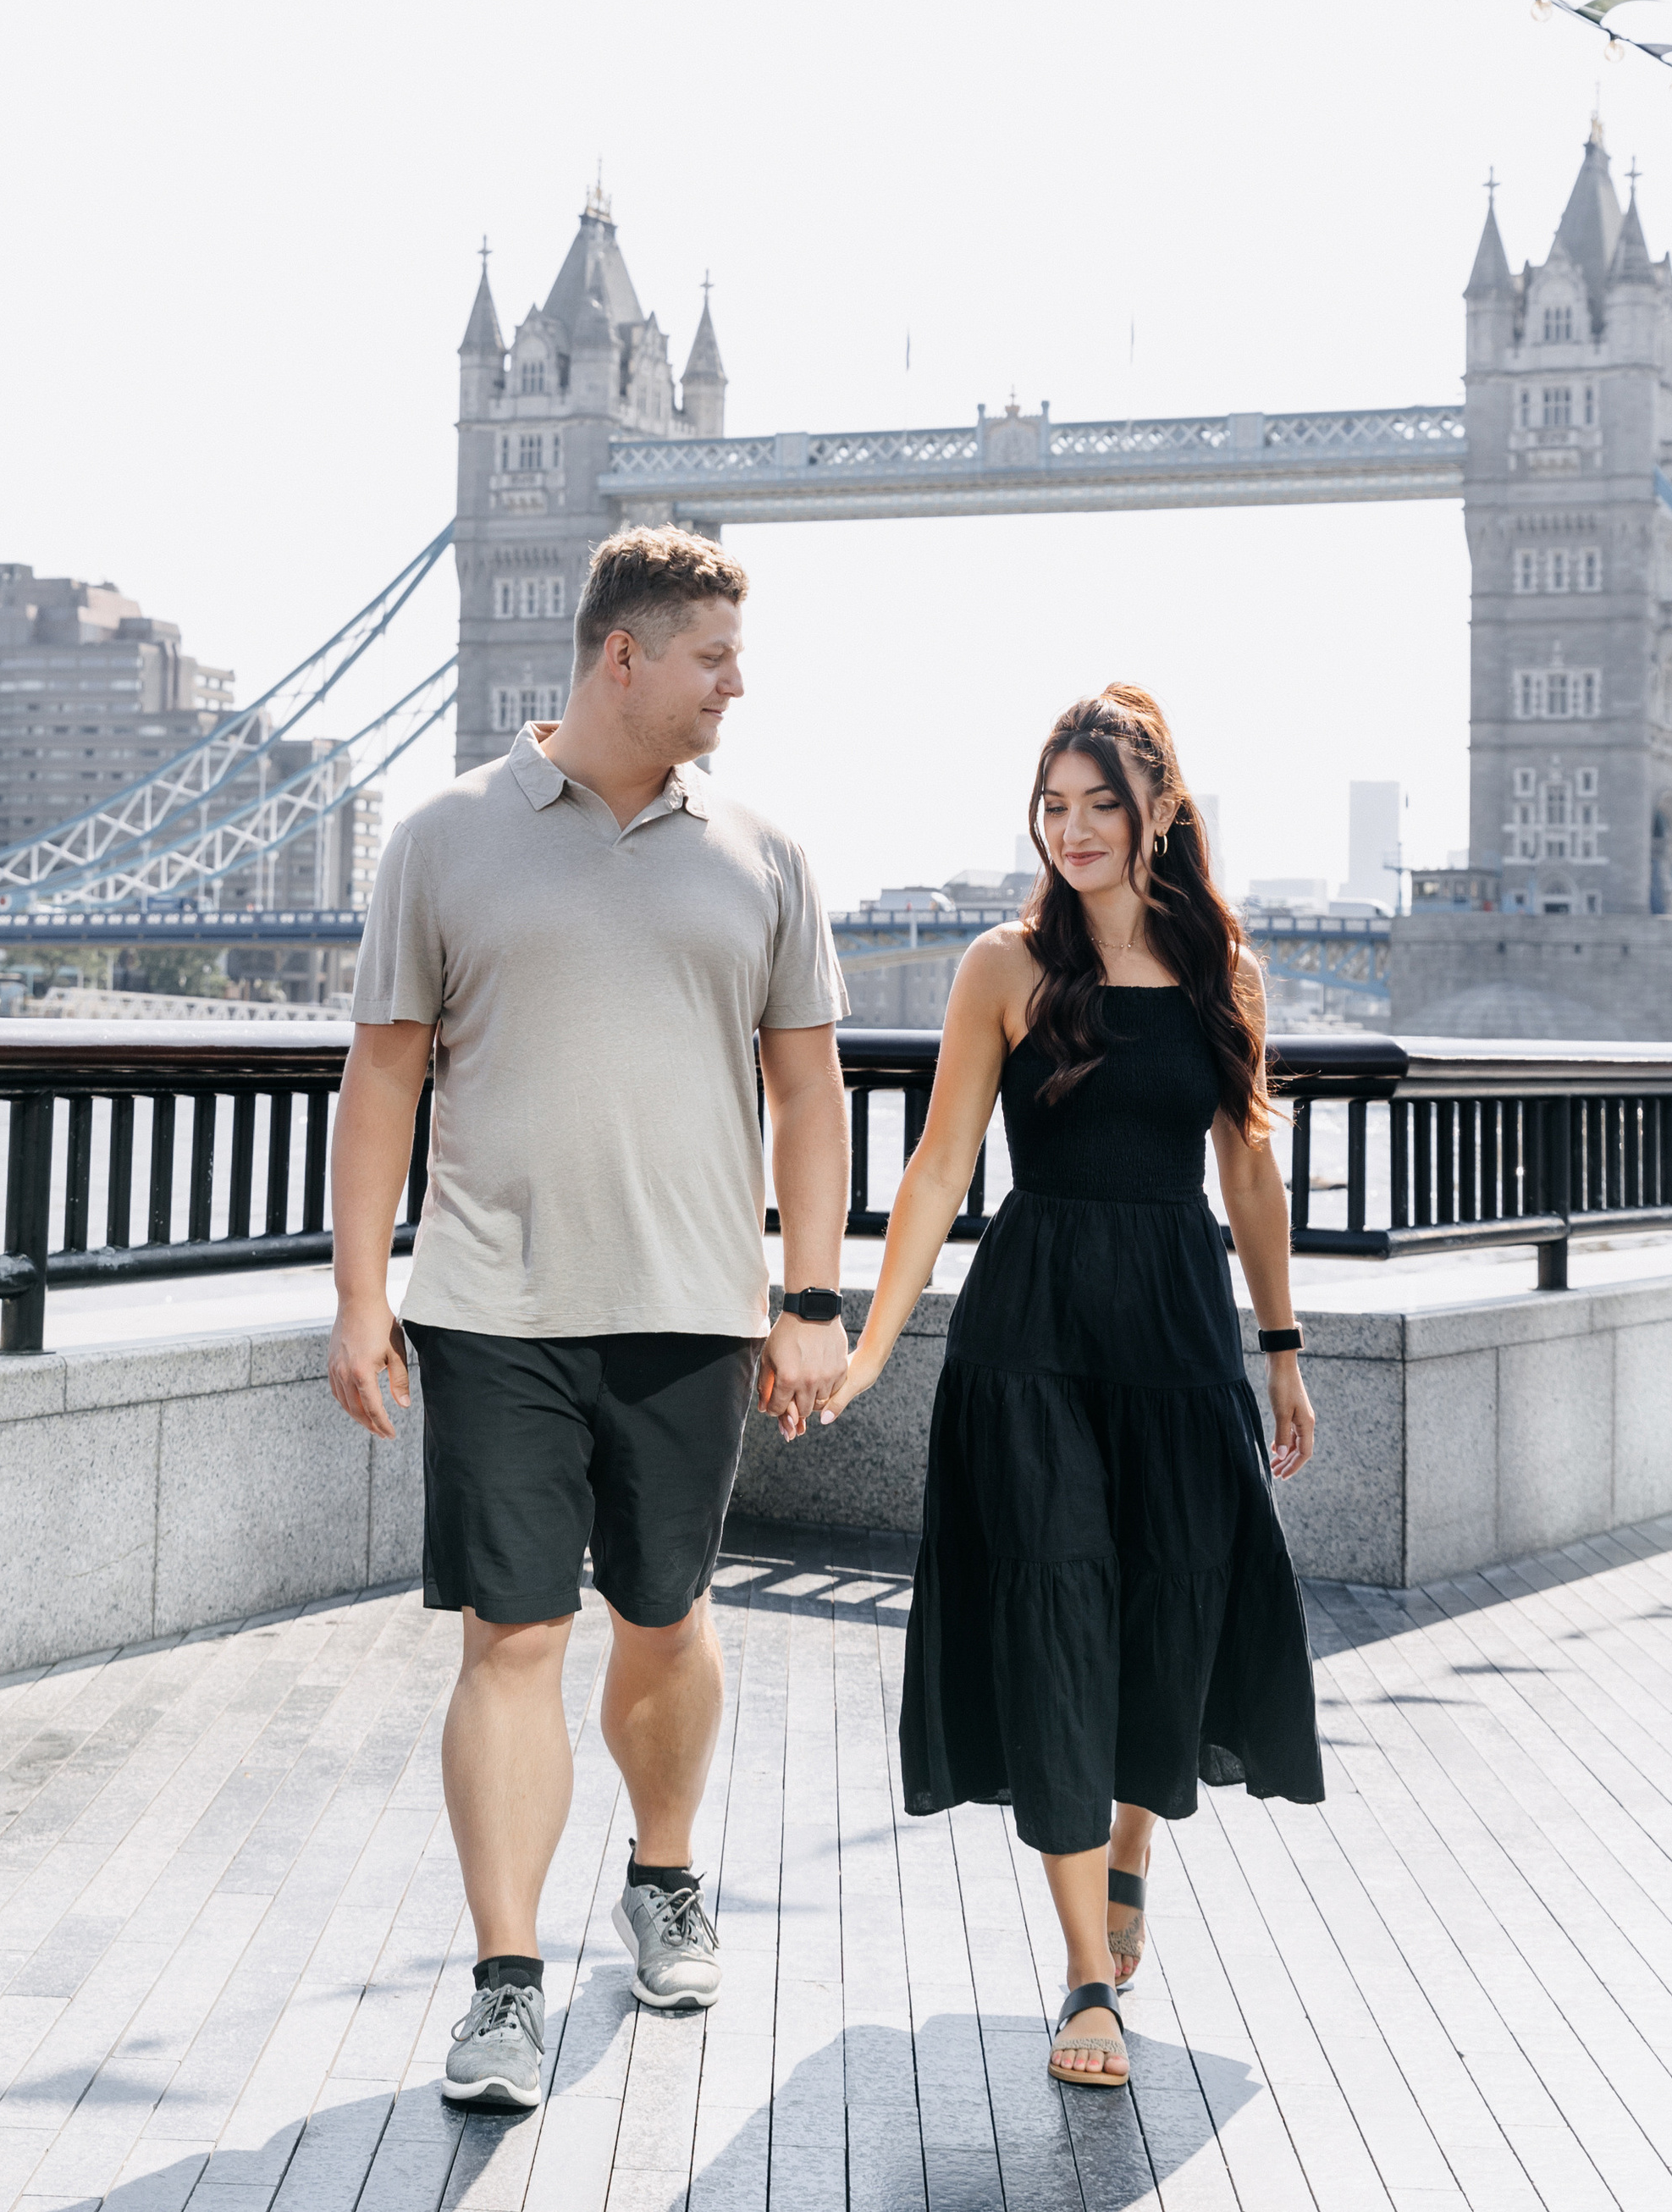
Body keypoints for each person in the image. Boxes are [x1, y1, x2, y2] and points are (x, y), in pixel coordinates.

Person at [327, 525, 851, 2113]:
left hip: (694, 1308)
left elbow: (811, 1090)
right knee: (512, 1638)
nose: (736, 688)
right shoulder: (442, 837)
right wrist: (363, 1292)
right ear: (621, 656)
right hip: (493, 1309)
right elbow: (383, 1071)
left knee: (667, 1618)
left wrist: (811, 1299)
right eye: (713, 660)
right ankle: (503, 1983)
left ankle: (666, 1871)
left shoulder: (764, 854)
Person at [819, 683, 1322, 2091]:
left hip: (1174, 1329)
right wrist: (867, 1344)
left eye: (1102, 802)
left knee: (1169, 1601)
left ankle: (1132, 1852)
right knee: (1054, 1609)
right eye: (1055, 806)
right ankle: (1085, 1983)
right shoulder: (1002, 968)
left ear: (1157, 806)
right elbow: (935, 1170)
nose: (1076, 829)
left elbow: (1250, 1169)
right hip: (1031, 1330)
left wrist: (1279, 1349)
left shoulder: (1220, 963)